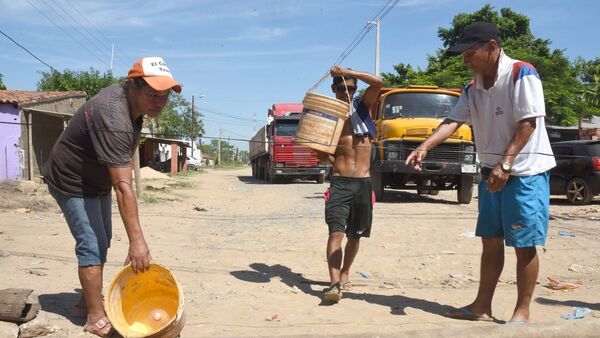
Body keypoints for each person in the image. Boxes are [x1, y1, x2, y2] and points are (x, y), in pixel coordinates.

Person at [405, 22, 556, 323]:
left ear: (491, 47)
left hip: (524, 173)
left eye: (469, 53)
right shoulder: (472, 87)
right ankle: (482, 307)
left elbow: (528, 123)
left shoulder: (522, 74)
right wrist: (425, 146)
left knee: (524, 245)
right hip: (491, 172)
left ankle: (521, 313)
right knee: (490, 240)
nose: (465, 60)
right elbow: (452, 121)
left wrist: (506, 164)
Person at [43, 57, 181, 337]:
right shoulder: (112, 112)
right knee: (91, 244)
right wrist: (138, 242)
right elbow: (123, 186)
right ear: (133, 85)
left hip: (96, 181)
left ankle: (86, 301)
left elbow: (119, 174)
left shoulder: (135, 108)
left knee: (103, 237)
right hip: (71, 179)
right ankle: (95, 317)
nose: (160, 102)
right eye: (153, 94)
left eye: (164, 97)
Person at [314, 66, 382, 303]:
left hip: (363, 183)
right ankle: (334, 284)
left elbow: (377, 83)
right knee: (336, 233)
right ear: (334, 89)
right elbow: (317, 151)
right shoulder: (327, 117)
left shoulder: (364, 108)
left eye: (351, 88)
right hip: (340, 183)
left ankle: (345, 272)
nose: (347, 92)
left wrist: (349, 71)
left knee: (356, 235)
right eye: (342, 88)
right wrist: (331, 160)